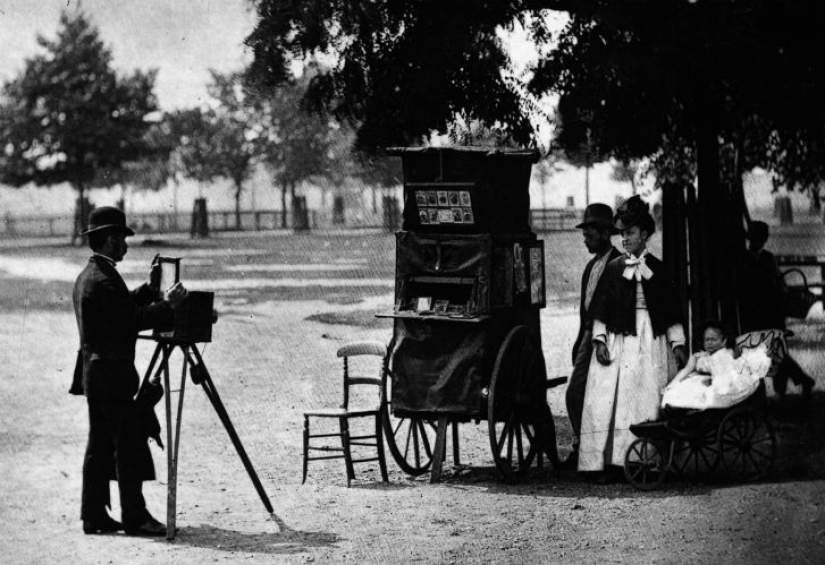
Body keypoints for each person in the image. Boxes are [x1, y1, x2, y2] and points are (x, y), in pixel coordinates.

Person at [71, 206, 188, 536]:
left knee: (99, 445)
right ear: (109, 241)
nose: (125, 245)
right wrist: (169, 306)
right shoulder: (104, 280)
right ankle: (135, 517)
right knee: (128, 444)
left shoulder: (91, 276)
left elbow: (120, 308)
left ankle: (93, 515)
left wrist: (150, 291)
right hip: (112, 376)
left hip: (95, 376)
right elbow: (131, 320)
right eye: (121, 239)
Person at [578, 196, 687, 479]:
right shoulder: (614, 269)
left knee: (646, 397)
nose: (625, 239)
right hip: (620, 341)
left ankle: (646, 461)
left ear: (645, 235)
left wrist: (677, 344)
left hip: (650, 340)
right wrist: (600, 340)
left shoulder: (659, 270)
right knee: (610, 398)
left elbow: (672, 311)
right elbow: (600, 309)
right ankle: (612, 462)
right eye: (623, 234)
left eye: (631, 233)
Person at [564, 203, 622, 468]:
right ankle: (583, 448)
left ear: (603, 232)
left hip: (606, 336)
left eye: (589, 234)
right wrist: (580, 340)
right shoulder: (591, 266)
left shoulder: (618, 263)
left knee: (582, 394)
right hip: (588, 334)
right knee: (578, 394)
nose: (586, 239)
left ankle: (593, 454)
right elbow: (584, 308)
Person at [738, 221, 815, 399]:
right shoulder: (746, 259)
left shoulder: (767, 259)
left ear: (764, 240)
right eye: (753, 238)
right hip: (755, 315)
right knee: (762, 354)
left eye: (759, 238)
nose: (755, 241)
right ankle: (798, 381)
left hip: (771, 314)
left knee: (776, 353)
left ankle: (784, 390)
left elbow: (781, 286)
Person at [661, 319, 771, 410]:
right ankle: (677, 408)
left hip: (727, 387)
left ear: (723, 341)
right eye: (706, 340)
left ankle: (682, 408)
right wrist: (674, 384)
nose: (709, 343)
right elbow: (688, 369)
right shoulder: (705, 356)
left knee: (698, 390)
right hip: (717, 382)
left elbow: (725, 376)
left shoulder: (724, 355)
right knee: (687, 385)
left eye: (713, 340)